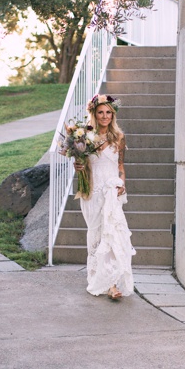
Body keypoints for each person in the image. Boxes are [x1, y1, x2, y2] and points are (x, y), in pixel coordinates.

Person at [74, 94, 136, 300]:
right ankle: (96, 275)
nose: (104, 116)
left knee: (112, 233)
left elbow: (120, 167)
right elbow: (82, 166)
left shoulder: (118, 137)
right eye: (100, 112)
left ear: (113, 114)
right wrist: (79, 167)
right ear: (94, 113)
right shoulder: (85, 137)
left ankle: (112, 284)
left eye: (108, 112)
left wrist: (122, 184)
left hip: (111, 191)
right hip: (91, 192)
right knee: (95, 234)